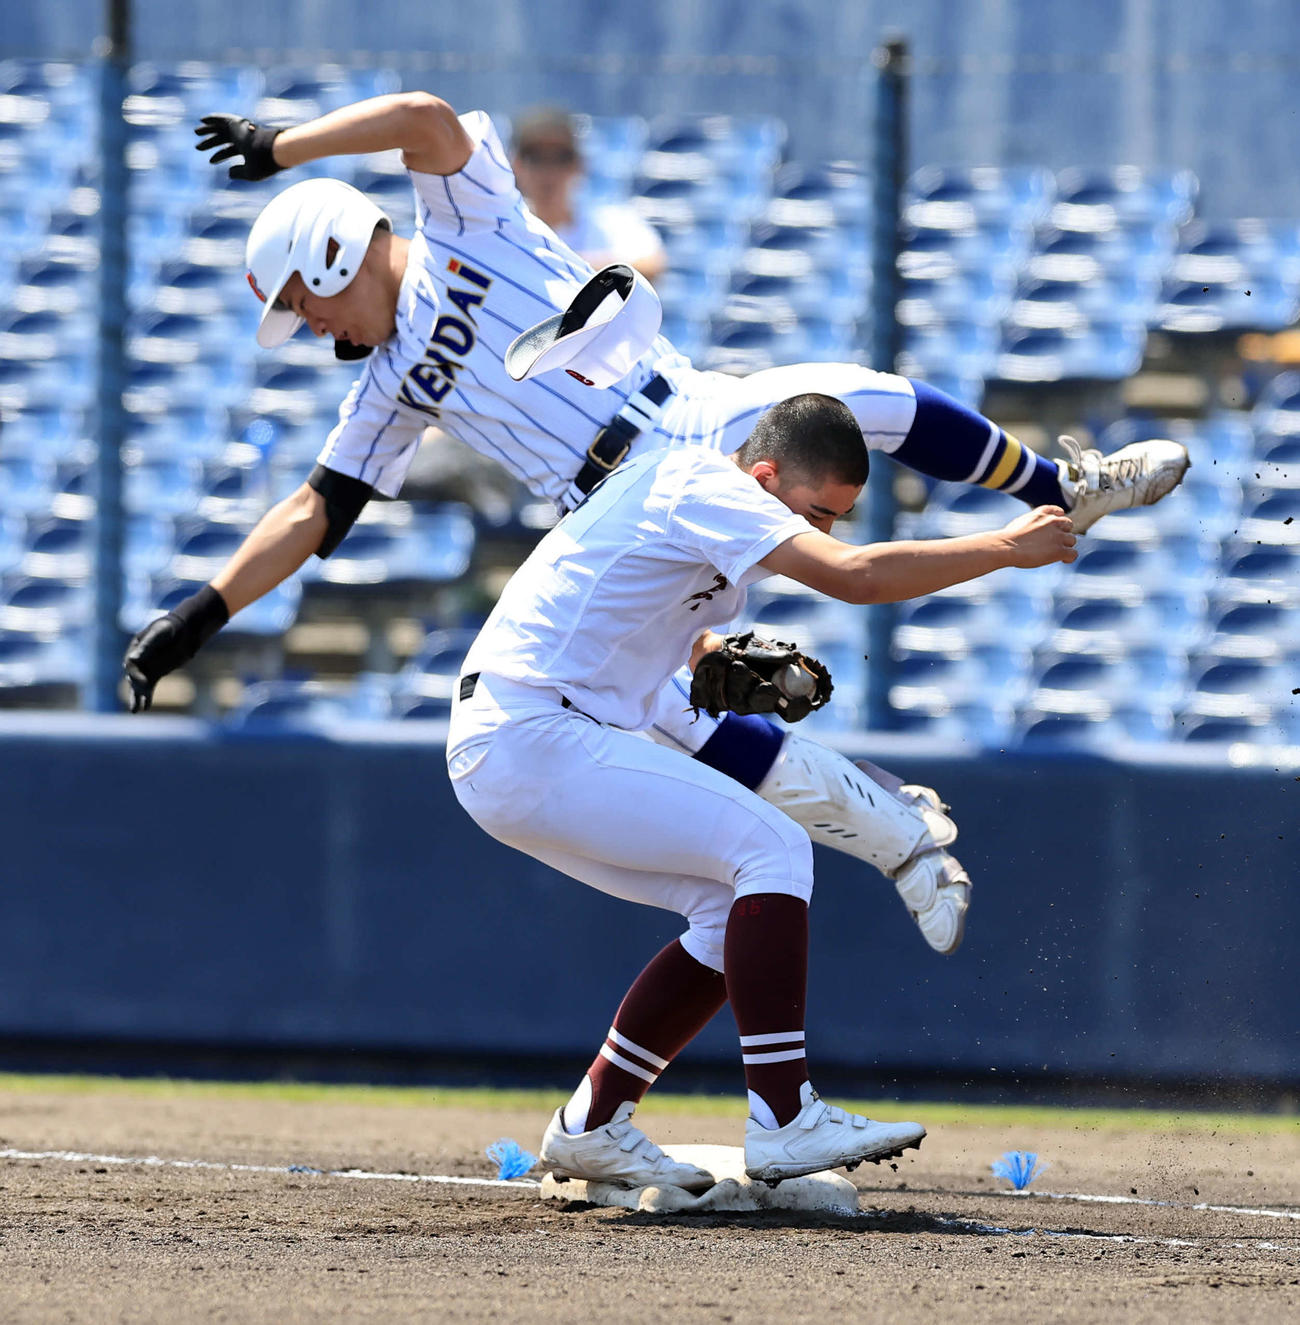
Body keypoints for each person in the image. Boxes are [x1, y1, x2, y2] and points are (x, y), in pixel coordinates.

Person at [126, 91, 1187, 950]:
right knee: (683, 715)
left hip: (688, 418)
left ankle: (1058, 481)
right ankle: (895, 836)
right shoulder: (390, 385)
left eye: (302, 303)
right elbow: (319, 506)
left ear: (328, 256)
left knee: (862, 392)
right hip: (613, 515)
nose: (309, 327)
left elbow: (424, 118)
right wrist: (201, 613)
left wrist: (284, 146)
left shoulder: (465, 220)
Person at [447, 390, 1078, 1187]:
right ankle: (785, 1118)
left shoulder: (698, 510)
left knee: (724, 907)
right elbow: (851, 577)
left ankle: (593, 1124)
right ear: (767, 474)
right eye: (817, 511)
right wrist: (1004, 546)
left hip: (527, 739)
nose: (822, 532)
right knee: (772, 846)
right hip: (531, 731)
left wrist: (702, 649)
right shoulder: (700, 482)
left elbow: (636, 616)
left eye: (837, 517)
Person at [510, 105, 668, 283]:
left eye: (561, 158)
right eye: (536, 158)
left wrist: (562, 266)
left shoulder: (612, 220)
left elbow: (653, 265)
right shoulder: (505, 224)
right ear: (516, 165)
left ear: (578, 165)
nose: (549, 171)